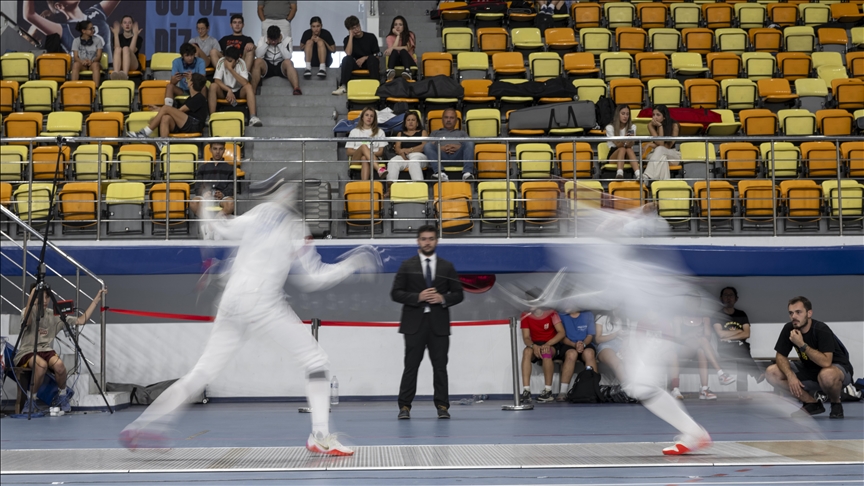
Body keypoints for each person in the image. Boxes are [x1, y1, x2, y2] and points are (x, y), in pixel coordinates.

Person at [120, 168, 383, 453]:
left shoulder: (261, 213)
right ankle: (319, 435)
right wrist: (353, 264)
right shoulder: (294, 226)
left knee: (202, 372)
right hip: (261, 303)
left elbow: (222, 228)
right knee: (315, 359)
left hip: (231, 301)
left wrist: (207, 208)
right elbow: (312, 278)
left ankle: (140, 427)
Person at [392, 225, 464, 420]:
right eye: (424, 238)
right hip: (414, 325)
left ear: (436, 241)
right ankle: (404, 406)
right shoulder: (407, 265)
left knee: (440, 367)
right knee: (411, 366)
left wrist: (442, 299)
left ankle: (442, 406)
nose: (427, 242)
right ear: (418, 241)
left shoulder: (446, 266)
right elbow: (395, 293)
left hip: (439, 325)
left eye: (431, 238)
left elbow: (458, 294)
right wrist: (418, 296)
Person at [15, 284, 107, 413]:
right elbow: (28, 321)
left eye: (47, 297)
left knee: (59, 366)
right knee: (41, 366)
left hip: (46, 350)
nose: (45, 300)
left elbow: (81, 320)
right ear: (34, 297)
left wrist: (96, 300)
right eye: (41, 297)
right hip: (27, 351)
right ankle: (31, 400)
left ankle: (62, 396)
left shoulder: (54, 314)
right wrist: (32, 297)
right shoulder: (28, 310)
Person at [765, 296, 853, 419]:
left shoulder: (821, 329)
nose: (794, 316)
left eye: (798, 312)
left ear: (809, 313)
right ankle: (811, 403)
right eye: (791, 313)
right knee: (771, 372)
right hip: (810, 369)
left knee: (826, 374)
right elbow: (780, 356)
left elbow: (826, 362)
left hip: (837, 370)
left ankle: (836, 404)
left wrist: (801, 344)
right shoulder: (789, 328)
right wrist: (790, 376)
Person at [675, 301, 736, 400]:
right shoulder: (679, 318)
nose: (692, 305)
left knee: (702, 350)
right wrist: (691, 334)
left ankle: (704, 390)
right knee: (701, 342)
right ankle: (721, 373)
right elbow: (677, 339)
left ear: (698, 304)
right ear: (685, 304)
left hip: (698, 347)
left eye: (695, 302)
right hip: (684, 350)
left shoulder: (704, 318)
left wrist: (699, 336)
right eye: (690, 302)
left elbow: (707, 336)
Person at [712, 287, 762, 397]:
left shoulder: (741, 315)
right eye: (726, 295)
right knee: (742, 350)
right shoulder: (717, 315)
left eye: (731, 295)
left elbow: (747, 334)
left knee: (741, 353)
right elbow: (720, 334)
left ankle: (743, 391)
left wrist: (728, 334)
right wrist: (739, 332)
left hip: (740, 349)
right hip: (725, 349)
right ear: (721, 298)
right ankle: (752, 380)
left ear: (736, 299)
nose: (728, 297)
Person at [23, 0, 119, 56]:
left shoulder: (96, 12)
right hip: (85, 74)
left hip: (109, 71)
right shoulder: (63, 30)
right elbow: (29, 15)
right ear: (59, 6)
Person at [128, 73, 208, 138]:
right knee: (165, 118)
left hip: (194, 125)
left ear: (191, 83)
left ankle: (145, 132)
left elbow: (179, 111)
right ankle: (164, 143)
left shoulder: (199, 97)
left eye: (189, 80)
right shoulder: (191, 98)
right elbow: (174, 112)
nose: (187, 81)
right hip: (187, 124)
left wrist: (157, 117)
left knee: (166, 109)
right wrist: (158, 109)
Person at [520, 300, 566, 403]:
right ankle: (526, 391)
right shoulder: (525, 314)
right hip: (535, 344)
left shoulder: (552, 313)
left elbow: (561, 333)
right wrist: (533, 346)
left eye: (532, 301)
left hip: (551, 343)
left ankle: (548, 391)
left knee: (546, 352)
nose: (529, 304)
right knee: (527, 352)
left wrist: (548, 344)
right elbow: (526, 338)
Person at [210, 47, 263, 127]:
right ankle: (212, 117)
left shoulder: (241, 63)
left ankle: (253, 117)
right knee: (213, 86)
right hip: (224, 89)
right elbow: (217, 80)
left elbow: (245, 82)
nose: (227, 62)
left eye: (230, 61)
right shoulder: (221, 61)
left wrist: (231, 69)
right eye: (226, 59)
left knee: (249, 87)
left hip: (238, 90)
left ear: (237, 60)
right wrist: (228, 90)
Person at [557, 309, 599, 402]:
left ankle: (595, 390)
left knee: (589, 353)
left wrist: (582, 344)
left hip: (585, 343)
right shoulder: (561, 315)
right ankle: (563, 392)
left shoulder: (588, 314)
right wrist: (574, 345)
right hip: (568, 344)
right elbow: (561, 336)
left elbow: (590, 335)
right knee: (571, 354)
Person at [423, 108, 475, 181]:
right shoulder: (435, 133)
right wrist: (440, 148)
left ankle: (467, 173)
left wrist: (459, 147)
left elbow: (467, 146)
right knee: (427, 146)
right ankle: (440, 173)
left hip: (458, 156)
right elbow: (430, 146)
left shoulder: (462, 133)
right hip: (441, 157)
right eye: (446, 117)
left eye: (451, 118)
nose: (448, 120)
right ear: (442, 119)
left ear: (456, 120)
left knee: (469, 142)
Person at [332, 16, 380, 96]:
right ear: (349, 30)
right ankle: (343, 86)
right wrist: (351, 36)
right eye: (353, 28)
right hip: (355, 63)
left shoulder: (371, 37)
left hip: (368, 63)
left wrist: (365, 58)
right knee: (346, 59)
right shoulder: (347, 39)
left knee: (372, 58)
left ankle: (376, 85)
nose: (357, 29)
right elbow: (348, 53)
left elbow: (377, 55)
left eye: (357, 26)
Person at [190, 142, 235, 217]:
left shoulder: (230, 169)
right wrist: (203, 193)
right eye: (215, 149)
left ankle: (214, 221)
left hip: (222, 198)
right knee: (193, 203)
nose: (217, 152)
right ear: (210, 150)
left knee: (230, 204)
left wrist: (223, 194)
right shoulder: (202, 168)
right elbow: (197, 187)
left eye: (220, 149)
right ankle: (208, 221)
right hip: (206, 197)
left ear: (224, 150)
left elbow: (232, 187)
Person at [254, 25, 302, 96]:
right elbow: (258, 55)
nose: (273, 42)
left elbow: (288, 56)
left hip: (281, 65)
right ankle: (252, 90)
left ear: (279, 36)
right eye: (271, 40)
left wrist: (279, 43)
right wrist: (267, 43)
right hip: (267, 65)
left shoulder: (288, 39)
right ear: (268, 37)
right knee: (257, 61)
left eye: (275, 40)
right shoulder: (262, 39)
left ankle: (296, 88)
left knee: (288, 62)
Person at [386, 112, 428, 186]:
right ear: (405, 123)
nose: (410, 122)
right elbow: (397, 148)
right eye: (408, 120)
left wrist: (409, 150)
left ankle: (419, 188)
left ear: (417, 123)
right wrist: (401, 152)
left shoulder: (423, 132)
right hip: (404, 156)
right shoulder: (400, 134)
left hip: (419, 156)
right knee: (392, 162)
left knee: (413, 161)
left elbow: (425, 145)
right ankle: (390, 189)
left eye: (413, 120)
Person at [346, 107, 388, 180]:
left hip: (374, 157)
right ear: (362, 117)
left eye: (371, 116)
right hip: (356, 158)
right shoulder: (354, 132)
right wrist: (363, 151)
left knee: (365, 158)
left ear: (374, 119)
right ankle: (379, 169)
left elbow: (381, 152)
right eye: (367, 115)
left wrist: (367, 153)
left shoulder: (380, 132)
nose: (369, 118)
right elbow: (348, 151)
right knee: (363, 147)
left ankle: (365, 185)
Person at [643, 105, 681, 181]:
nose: (655, 117)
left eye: (658, 115)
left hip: (672, 155)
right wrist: (659, 126)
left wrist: (660, 126)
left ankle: (646, 175)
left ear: (664, 117)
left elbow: (665, 146)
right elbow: (660, 143)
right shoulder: (650, 125)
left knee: (660, 150)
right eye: (653, 115)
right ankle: (664, 184)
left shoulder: (674, 126)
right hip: (657, 154)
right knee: (663, 160)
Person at [165, 43, 206, 108]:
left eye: (192, 55)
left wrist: (192, 78)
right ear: (182, 56)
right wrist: (176, 79)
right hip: (183, 90)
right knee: (169, 86)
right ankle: (168, 109)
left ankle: (204, 110)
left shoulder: (201, 61)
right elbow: (172, 83)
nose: (190, 58)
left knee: (204, 87)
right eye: (187, 55)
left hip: (197, 90)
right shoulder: (176, 62)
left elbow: (202, 80)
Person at [594, 311, 628, 385]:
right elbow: (598, 339)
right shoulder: (601, 317)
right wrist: (615, 334)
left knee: (632, 363)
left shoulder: (623, 316)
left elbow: (626, 336)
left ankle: (637, 390)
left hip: (620, 344)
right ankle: (629, 390)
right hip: (605, 345)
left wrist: (624, 347)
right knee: (618, 364)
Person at [605, 104, 637, 180]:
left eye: (627, 114)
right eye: (623, 114)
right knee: (622, 148)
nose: (625, 116)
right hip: (614, 152)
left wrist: (631, 140)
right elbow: (618, 144)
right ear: (617, 114)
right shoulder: (610, 127)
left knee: (628, 149)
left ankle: (638, 174)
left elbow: (631, 145)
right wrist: (625, 139)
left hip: (627, 153)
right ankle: (619, 173)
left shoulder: (632, 127)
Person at [69, 20, 104, 85]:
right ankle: (73, 87)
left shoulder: (98, 40)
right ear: (83, 31)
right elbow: (76, 57)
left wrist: (92, 61)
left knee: (96, 65)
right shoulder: (76, 41)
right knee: (75, 64)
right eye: (90, 29)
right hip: (82, 64)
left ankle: (96, 89)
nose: (93, 30)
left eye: (93, 28)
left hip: (93, 63)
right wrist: (82, 62)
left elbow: (99, 56)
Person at [384, 16, 417, 81]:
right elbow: (391, 51)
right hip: (396, 61)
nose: (398, 27)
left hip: (408, 61)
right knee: (394, 52)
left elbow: (407, 48)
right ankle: (390, 71)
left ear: (404, 26)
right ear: (393, 27)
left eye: (400, 24)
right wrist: (398, 35)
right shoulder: (389, 37)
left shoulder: (410, 34)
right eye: (395, 25)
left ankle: (407, 71)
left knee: (403, 51)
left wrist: (392, 47)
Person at [109, 15, 142, 80]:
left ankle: (125, 75)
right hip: (120, 64)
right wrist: (115, 35)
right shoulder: (117, 37)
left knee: (126, 48)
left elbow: (131, 51)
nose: (127, 25)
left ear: (132, 25)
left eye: (129, 23)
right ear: (121, 25)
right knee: (118, 49)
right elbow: (117, 50)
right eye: (125, 23)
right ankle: (116, 74)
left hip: (133, 64)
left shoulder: (139, 38)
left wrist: (135, 35)